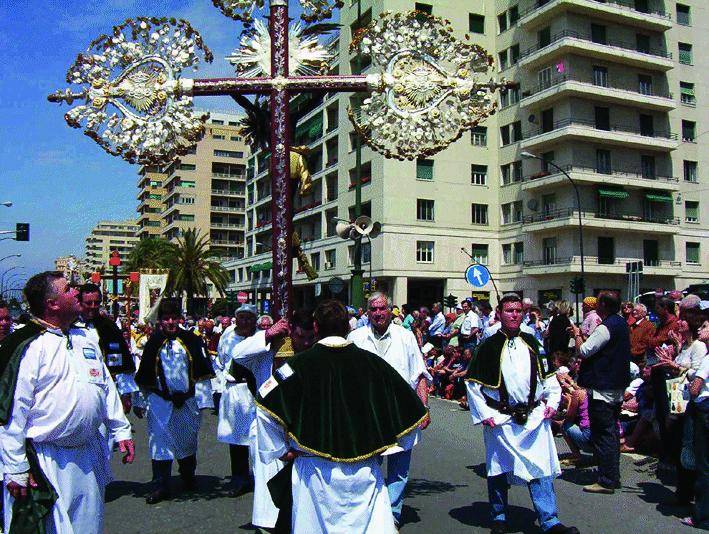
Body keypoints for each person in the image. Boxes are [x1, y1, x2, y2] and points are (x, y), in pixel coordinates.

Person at [256, 300, 427, 534]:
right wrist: (388, 447)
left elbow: (265, 403)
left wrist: (278, 450)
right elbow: (412, 411)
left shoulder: (295, 367)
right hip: (364, 472)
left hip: (314, 474)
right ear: (348, 327)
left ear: (315, 327)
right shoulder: (375, 365)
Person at [0, 271, 134, 533]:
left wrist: (121, 430)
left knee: (87, 527)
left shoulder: (86, 339)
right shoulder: (26, 345)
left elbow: (105, 387)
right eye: (68, 289)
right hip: (45, 460)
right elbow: (11, 411)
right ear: (52, 303)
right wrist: (15, 467)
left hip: (87, 455)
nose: (76, 293)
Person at [465, 293, 577, 534]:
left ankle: (550, 521)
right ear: (499, 314)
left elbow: (549, 378)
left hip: (533, 418)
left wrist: (552, 401)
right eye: (509, 311)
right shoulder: (488, 346)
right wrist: (484, 413)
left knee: (540, 469)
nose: (514, 315)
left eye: (518, 311)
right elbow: (473, 384)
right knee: (498, 468)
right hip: (501, 419)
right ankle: (499, 518)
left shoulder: (533, 342)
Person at [348, 292, 431, 527]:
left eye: (382, 309)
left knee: (399, 468)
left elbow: (419, 375)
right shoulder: (355, 337)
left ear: (390, 310)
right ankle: (368, 512)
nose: (377, 314)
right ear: (368, 312)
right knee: (366, 466)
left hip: (401, 412)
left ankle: (393, 514)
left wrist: (424, 408)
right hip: (367, 414)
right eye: (373, 309)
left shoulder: (405, 336)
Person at [133, 299, 214, 504]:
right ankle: (161, 484)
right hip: (160, 402)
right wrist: (140, 402)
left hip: (186, 402)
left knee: (186, 441)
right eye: (166, 318)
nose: (170, 322)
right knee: (159, 443)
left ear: (179, 319)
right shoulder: (153, 342)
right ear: (160, 321)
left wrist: (204, 402)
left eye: (173, 318)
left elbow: (201, 373)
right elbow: (144, 375)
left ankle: (188, 477)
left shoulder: (191, 340)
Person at [218, 304, 291, 531]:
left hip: (291, 421)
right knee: (258, 465)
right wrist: (268, 336)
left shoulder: (300, 351)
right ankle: (265, 520)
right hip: (254, 409)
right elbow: (236, 356)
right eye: (243, 318)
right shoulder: (256, 348)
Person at [569, 291, 630, 494]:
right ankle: (611, 475)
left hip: (603, 388)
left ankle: (606, 479)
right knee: (610, 433)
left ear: (603, 305)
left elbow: (584, 351)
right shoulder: (620, 323)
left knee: (604, 434)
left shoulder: (606, 327)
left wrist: (577, 334)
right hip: (615, 386)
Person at [75, 283, 138, 412]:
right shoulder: (69, 326)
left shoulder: (110, 327)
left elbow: (122, 362)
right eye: (88, 303)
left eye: (96, 303)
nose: (93, 307)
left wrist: (125, 394)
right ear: (80, 303)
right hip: (77, 389)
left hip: (107, 387)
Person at [683, 319, 709, 528]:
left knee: (704, 465)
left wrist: (691, 383)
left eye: (706, 326)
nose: (700, 329)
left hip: (704, 409)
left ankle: (702, 516)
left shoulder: (708, 358)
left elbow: (695, 388)